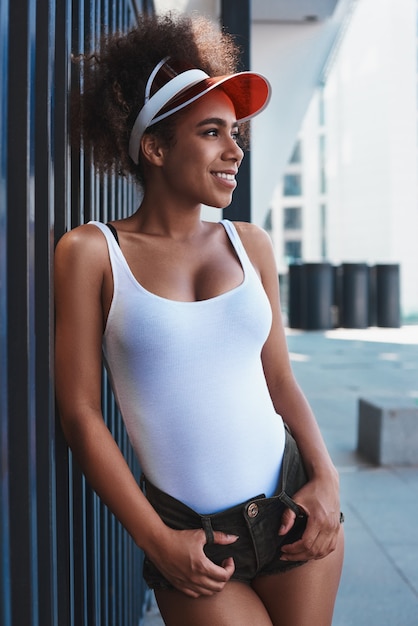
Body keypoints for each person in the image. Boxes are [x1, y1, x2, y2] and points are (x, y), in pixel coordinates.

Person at [55, 12, 344, 626]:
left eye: (236, 133)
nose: (234, 151)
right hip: (194, 540)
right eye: (212, 132)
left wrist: (326, 479)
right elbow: (80, 415)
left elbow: (281, 381)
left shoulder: (251, 244)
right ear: (154, 147)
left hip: (293, 504)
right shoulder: (90, 252)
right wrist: (155, 539)